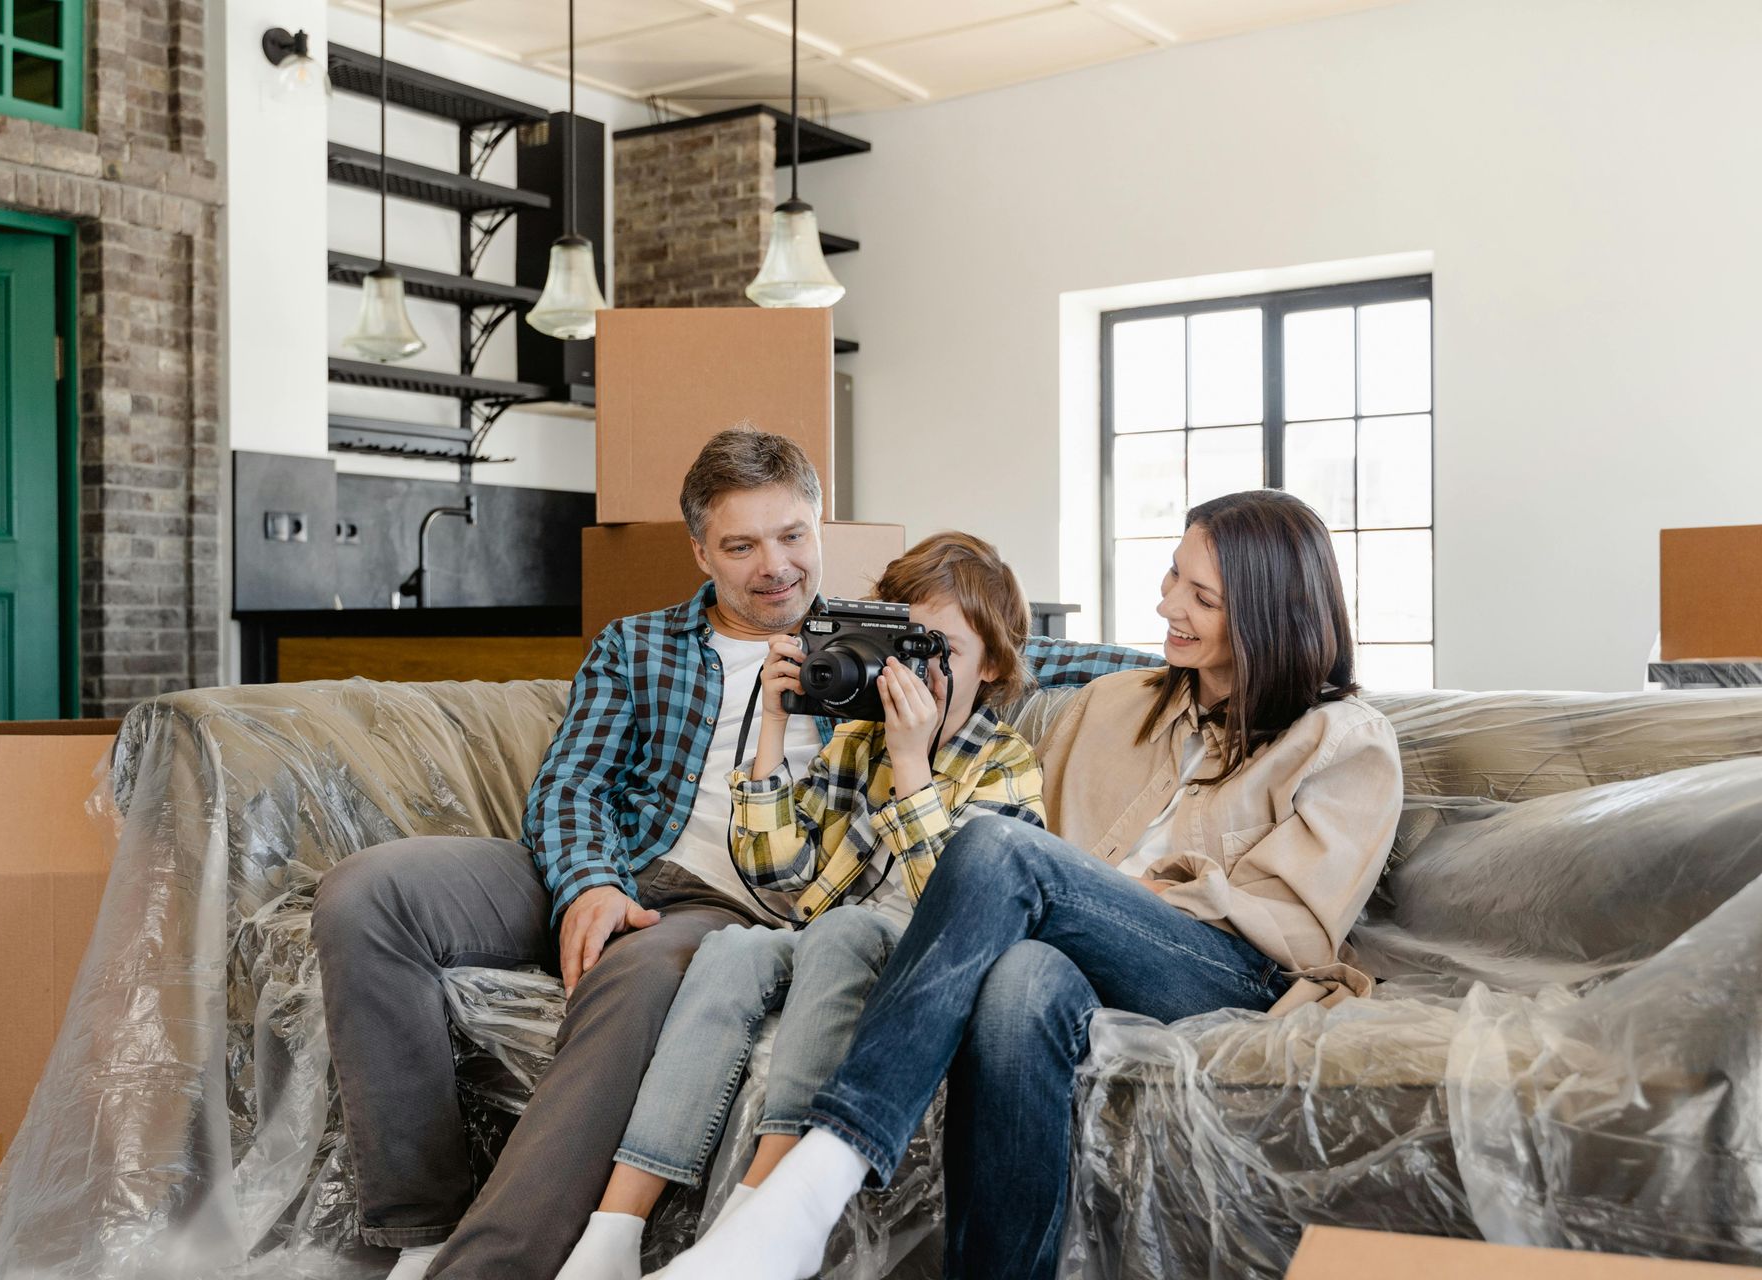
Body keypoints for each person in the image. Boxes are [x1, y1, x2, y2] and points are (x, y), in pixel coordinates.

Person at [310, 428, 1160, 1280]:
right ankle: (418, 1226)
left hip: (731, 903)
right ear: (700, 551)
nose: (776, 567)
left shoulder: (876, 644)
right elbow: (570, 787)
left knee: (635, 974)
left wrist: (1222, 655)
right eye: (742, 545)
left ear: (820, 528)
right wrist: (589, 883)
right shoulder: (637, 647)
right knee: (366, 895)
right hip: (624, 861)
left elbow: (1012, 651)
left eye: (793, 536)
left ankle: (493, 1265)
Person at [655, 488, 1404, 1280]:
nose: (1166, 604)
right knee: (1017, 981)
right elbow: (986, 658)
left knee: (997, 845)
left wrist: (1149, 893)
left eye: (1201, 596)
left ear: (1267, 614)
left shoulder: (1344, 740)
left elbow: (1298, 925)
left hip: (1225, 968)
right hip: (1070, 947)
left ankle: (824, 1170)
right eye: (1171, 577)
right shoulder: (1117, 702)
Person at [556, 533, 1047, 1280]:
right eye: (903, 649)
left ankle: (759, 1208)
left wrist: (914, 763)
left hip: (924, 966)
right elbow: (776, 873)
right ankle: (615, 1228)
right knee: (735, 948)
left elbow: (965, 905)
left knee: (846, 929)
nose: (915, 676)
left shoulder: (1005, 763)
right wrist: (775, 727)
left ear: (995, 667)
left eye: (941, 650)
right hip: (817, 935)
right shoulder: (855, 742)